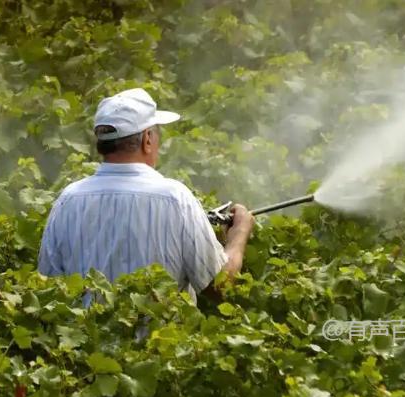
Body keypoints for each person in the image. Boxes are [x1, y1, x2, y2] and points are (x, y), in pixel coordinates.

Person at [38, 88, 254, 305]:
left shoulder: (67, 200)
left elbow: (47, 291)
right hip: (162, 339)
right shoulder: (176, 199)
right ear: (147, 139)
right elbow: (220, 288)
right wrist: (239, 234)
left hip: (87, 338)